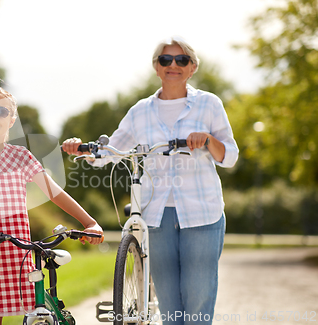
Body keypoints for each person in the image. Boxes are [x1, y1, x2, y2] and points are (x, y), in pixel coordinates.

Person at [62, 37, 238, 325]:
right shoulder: (140, 111)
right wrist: (83, 147)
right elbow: (111, 150)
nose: (173, 65)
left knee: (197, 301)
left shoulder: (208, 104)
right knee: (169, 306)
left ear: (192, 67)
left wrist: (207, 140)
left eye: (181, 60)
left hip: (202, 213)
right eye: (165, 60)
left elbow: (230, 156)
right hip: (157, 215)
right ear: (156, 67)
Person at [0, 85, 104, 325]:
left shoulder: (21, 157)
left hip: (8, 253)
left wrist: (90, 222)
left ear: (11, 120)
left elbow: (54, 193)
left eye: (1, 111)